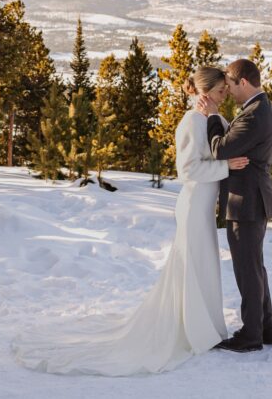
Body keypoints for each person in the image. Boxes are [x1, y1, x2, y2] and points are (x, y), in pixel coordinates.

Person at [12, 66, 249, 375]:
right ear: (205, 93)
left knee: (202, 264)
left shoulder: (209, 119)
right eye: (220, 92)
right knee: (193, 264)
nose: (225, 96)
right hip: (193, 205)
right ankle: (194, 330)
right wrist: (226, 168)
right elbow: (188, 171)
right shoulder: (192, 121)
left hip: (205, 205)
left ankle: (204, 326)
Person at [197, 58, 272, 352]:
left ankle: (251, 335)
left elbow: (220, 149)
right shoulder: (262, 109)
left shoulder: (254, 115)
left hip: (246, 201)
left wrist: (212, 117)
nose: (228, 91)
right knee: (255, 267)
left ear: (243, 82)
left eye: (230, 85)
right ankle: (265, 329)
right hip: (254, 199)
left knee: (247, 269)